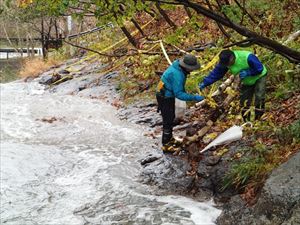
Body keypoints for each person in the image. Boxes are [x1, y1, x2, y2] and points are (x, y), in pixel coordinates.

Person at [198, 49, 267, 121]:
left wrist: (248, 72)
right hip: (247, 81)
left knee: (259, 96)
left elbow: (259, 68)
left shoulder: (247, 57)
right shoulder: (225, 62)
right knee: (244, 101)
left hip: (259, 77)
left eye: (228, 63)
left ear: (231, 58)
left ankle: (258, 118)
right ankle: (246, 120)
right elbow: (216, 74)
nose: (227, 66)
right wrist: (204, 83)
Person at [156, 54, 205, 153]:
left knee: (170, 116)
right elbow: (179, 94)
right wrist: (194, 97)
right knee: (168, 120)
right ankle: (166, 145)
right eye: (191, 69)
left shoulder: (177, 66)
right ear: (186, 67)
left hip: (164, 92)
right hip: (165, 96)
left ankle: (169, 140)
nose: (192, 70)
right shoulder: (177, 74)